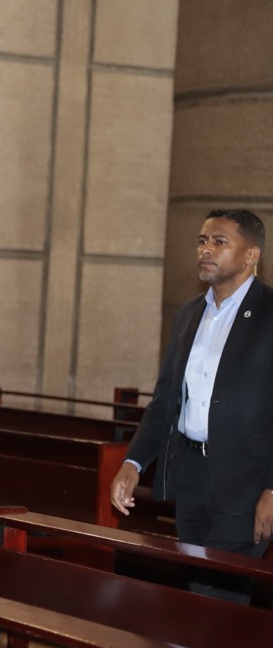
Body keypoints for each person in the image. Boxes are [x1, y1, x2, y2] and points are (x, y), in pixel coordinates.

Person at [110, 208, 273, 602]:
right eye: (202, 241)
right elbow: (166, 398)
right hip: (192, 475)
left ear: (251, 255)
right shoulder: (189, 314)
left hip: (246, 483)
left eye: (220, 242)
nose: (206, 250)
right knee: (198, 592)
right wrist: (133, 464)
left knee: (215, 597)